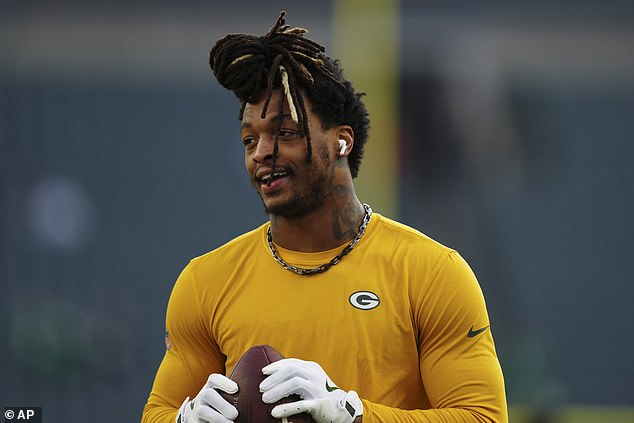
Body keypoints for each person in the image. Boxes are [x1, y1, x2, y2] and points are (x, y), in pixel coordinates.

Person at [142, 11, 507, 423]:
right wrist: (183, 419)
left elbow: (484, 417)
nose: (262, 151)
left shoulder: (432, 274)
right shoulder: (206, 282)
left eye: (285, 132)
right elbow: (156, 412)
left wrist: (351, 413)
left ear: (341, 141)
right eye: (250, 139)